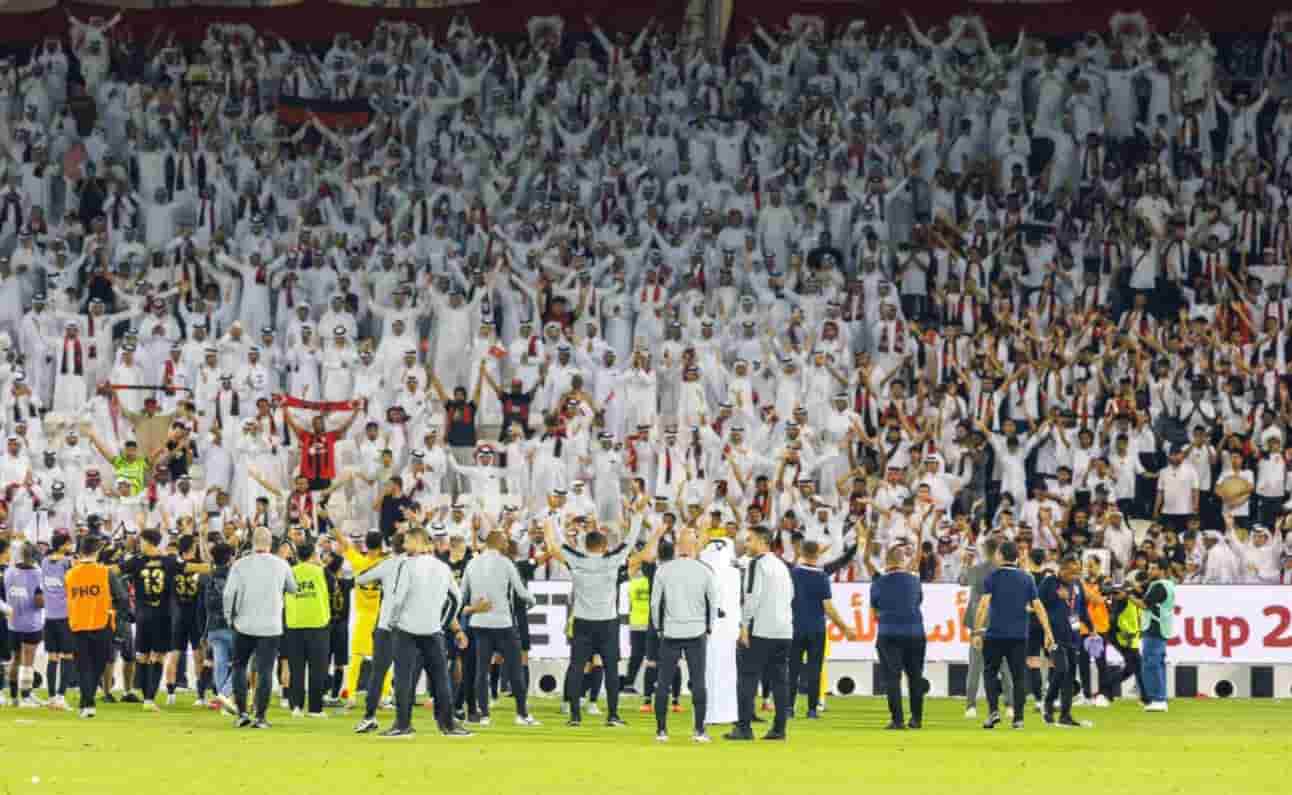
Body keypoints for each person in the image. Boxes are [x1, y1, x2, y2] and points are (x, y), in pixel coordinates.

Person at [542, 510, 643, 727]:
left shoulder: (576, 559)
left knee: (577, 667)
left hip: (582, 622)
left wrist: (552, 518)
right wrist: (637, 518)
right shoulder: (613, 559)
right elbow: (630, 540)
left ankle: (575, 716)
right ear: (604, 545)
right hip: (607, 623)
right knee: (611, 670)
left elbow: (556, 543)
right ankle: (613, 715)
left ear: (585, 545)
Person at [382, 527, 470, 739]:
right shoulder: (442, 567)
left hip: (407, 629)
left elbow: (398, 598)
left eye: (408, 542)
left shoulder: (406, 565)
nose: (404, 546)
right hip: (433, 630)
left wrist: (392, 621)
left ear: (418, 543)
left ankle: (402, 725)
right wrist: (443, 621)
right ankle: (448, 725)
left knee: (404, 678)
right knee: (440, 678)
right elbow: (456, 598)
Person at [116, 529, 210, 711]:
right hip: (163, 616)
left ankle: (146, 698)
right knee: (157, 656)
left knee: (142, 657)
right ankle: (150, 700)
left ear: (148, 542)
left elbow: (113, 571)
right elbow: (193, 567)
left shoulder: (136, 561)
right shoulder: (169, 561)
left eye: (141, 541)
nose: (139, 544)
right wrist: (218, 567)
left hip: (143, 616)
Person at [972, 540, 1056, 730]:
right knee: (1018, 676)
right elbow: (1038, 606)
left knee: (990, 673)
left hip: (995, 635)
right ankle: (1018, 718)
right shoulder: (1027, 578)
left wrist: (977, 630)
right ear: (1017, 557)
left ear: (1000, 555)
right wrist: (1048, 631)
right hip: (1019, 636)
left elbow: (983, 605)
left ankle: (993, 712)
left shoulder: (992, 577)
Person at [460, 530, 540, 727]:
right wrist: (532, 601)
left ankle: (485, 715)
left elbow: (461, 595)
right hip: (503, 624)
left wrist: (471, 609)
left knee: (481, 671)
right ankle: (522, 714)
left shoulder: (472, 563)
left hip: (479, 623)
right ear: (500, 543)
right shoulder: (506, 563)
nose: (507, 544)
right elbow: (521, 591)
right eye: (505, 541)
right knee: (515, 670)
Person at [223, 526, 297, 728]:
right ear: (270, 544)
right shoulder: (281, 565)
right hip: (271, 626)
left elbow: (228, 594)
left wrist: (229, 617)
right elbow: (293, 588)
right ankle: (261, 717)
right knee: (265, 671)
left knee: (239, 666)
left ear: (252, 542)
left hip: (244, 624)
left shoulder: (240, 564)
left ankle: (242, 714)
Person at [649, 529, 719, 743]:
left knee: (663, 683)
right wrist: (709, 627)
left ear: (678, 546)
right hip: (696, 631)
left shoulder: (663, 570)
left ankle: (661, 731)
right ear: (695, 545)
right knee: (698, 682)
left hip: (670, 631)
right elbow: (713, 603)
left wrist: (659, 628)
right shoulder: (706, 571)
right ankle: (699, 730)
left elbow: (654, 603)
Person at [729, 525, 794, 742]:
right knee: (780, 681)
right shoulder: (782, 565)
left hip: (760, 630)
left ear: (762, 542)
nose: (746, 544)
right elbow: (791, 595)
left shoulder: (757, 564)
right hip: (784, 631)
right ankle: (779, 729)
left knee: (747, 678)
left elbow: (751, 598)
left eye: (750, 540)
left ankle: (744, 728)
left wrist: (744, 627)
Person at [789, 537, 859, 720]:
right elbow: (828, 607)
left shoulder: (792, 574)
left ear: (802, 553)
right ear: (818, 553)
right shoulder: (821, 576)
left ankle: (788, 707)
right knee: (815, 669)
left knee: (792, 669)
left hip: (794, 627)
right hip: (816, 629)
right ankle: (812, 709)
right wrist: (845, 629)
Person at [870, 537, 927, 730]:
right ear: (902, 561)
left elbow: (875, 609)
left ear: (887, 562)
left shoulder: (878, 582)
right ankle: (917, 719)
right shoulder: (914, 581)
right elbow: (918, 601)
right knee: (915, 676)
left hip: (889, 633)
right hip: (915, 632)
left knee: (892, 677)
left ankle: (897, 720)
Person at [65, 535, 121, 718]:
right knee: (97, 665)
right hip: (101, 623)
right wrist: (119, 616)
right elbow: (122, 597)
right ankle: (88, 702)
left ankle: (86, 702)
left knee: (83, 666)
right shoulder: (105, 572)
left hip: (78, 624)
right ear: (98, 551)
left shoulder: (70, 574)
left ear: (81, 551)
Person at [1038, 555, 1093, 727]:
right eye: (1071, 572)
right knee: (1062, 669)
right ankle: (1047, 704)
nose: (1075, 576)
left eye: (1077, 572)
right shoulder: (1049, 584)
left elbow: (1080, 609)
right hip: (1053, 635)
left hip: (1073, 636)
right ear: (1061, 570)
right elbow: (1037, 607)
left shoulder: (1077, 585)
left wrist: (1091, 628)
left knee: (1069, 675)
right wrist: (1044, 633)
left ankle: (1065, 715)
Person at [960, 536, 1011, 718]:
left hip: (978, 622)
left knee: (975, 665)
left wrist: (965, 563)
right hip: (1000, 622)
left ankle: (971, 706)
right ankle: (1010, 705)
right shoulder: (1005, 572)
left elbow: (962, 580)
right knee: (1004, 665)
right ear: (998, 551)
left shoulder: (976, 570)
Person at [284, 540, 332, 718]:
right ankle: (315, 709)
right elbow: (335, 588)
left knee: (296, 668)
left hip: (294, 624)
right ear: (313, 554)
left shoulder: (289, 572)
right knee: (317, 669)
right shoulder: (321, 572)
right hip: (317, 624)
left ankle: (296, 706)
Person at [40, 532, 75, 709]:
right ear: (62, 545)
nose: (71, 546)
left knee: (52, 657)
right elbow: (72, 586)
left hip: (49, 616)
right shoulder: (67, 563)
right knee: (67, 656)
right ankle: (61, 697)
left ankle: (52, 697)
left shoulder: (44, 562)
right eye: (69, 544)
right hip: (65, 616)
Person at [1139, 557, 1176, 712]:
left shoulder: (1159, 586)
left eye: (1153, 568)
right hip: (1159, 627)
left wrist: (1128, 596)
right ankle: (1158, 698)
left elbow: (1144, 604)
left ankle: (1158, 699)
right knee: (1156, 664)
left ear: (1162, 571)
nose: (1150, 571)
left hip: (1155, 628)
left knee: (1152, 664)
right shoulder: (1165, 585)